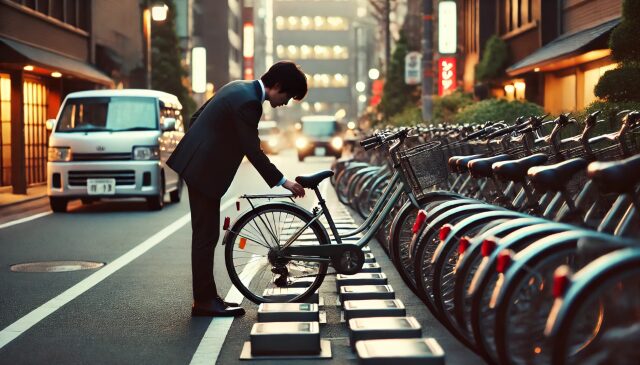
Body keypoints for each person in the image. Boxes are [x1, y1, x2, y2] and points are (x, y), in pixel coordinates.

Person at [167, 61, 307, 317]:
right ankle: (204, 302)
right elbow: (252, 149)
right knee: (205, 237)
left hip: (197, 165)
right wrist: (282, 181)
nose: (285, 103)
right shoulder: (249, 103)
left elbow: (195, 118)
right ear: (276, 86)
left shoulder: (238, 87)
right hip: (203, 171)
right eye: (287, 96)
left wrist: (205, 145)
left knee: (205, 235)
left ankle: (207, 298)